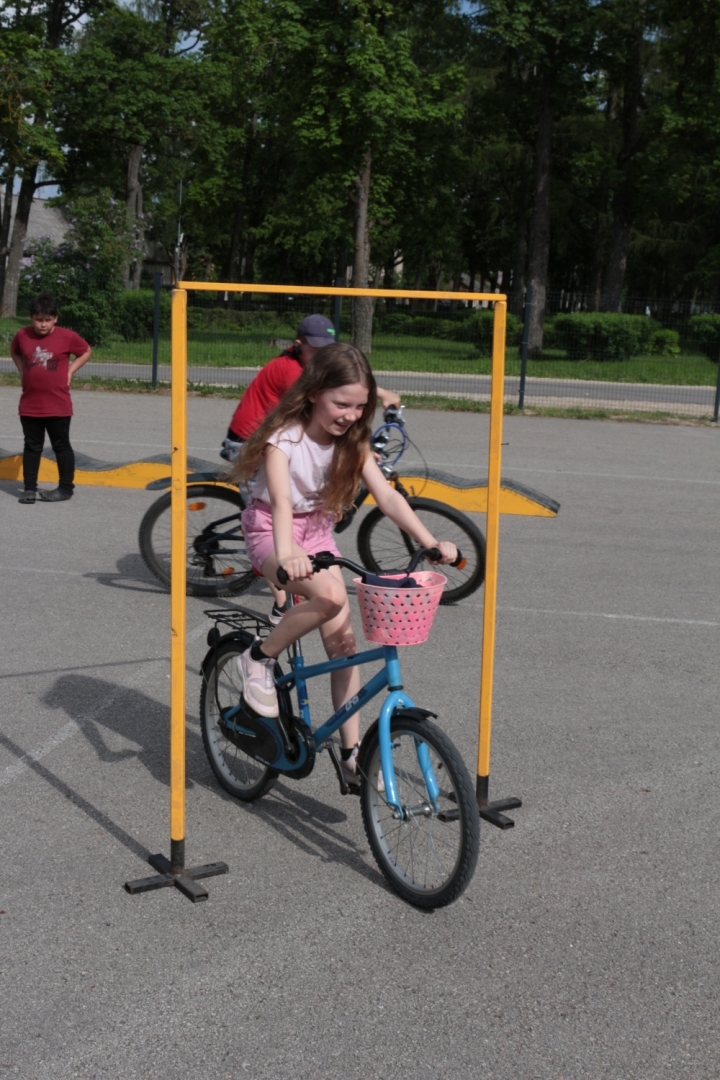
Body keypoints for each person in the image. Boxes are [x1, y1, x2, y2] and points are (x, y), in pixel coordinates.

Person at [229, 343, 456, 786]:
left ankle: (350, 755)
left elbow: (388, 497)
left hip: (316, 535)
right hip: (271, 535)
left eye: (360, 406)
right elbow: (277, 504)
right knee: (332, 595)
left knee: (344, 647)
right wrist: (288, 554)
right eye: (341, 403)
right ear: (314, 393)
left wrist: (429, 541)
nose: (351, 415)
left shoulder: (353, 442)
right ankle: (257, 658)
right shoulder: (285, 441)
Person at [223, 313, 401, 624]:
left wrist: (373, 396)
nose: (319, 356)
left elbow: (344, 392)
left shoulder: (322, 382)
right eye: (314, 350)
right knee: (276, 501)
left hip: (303, 486)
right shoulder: (290, 369)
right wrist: (380, 395)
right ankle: (281, 601)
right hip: (248, 437)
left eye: (325, 349)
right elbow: (281, 504)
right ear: (298, 345)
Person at [11, 293, 92, 504]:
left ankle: (65, 488)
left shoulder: (67, 336)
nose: (43, 324)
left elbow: (85, 351)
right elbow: (15, 352)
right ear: (31, 318)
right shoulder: (23, 335)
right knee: (31, 446)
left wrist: (71, 371)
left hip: (58, 404)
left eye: (47, 319)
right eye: (39, 319)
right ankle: (29, 489)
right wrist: (22, 371)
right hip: (30, 404)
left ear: (55, 318)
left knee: (61, 446)